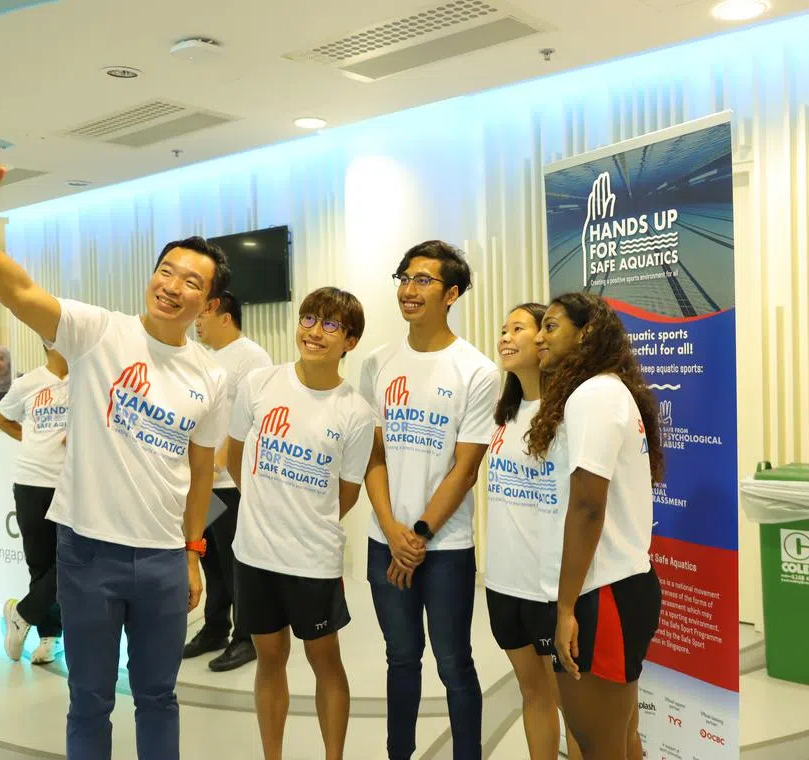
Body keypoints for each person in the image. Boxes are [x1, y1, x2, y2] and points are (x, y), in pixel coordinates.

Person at [0, 161, 230, 760]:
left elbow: (201, 471)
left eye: (191, 282)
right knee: (90, 700)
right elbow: (16, 289)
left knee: (158, 696)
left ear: (207, 302)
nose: (172, 285)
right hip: (86, 554)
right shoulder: (98, 333)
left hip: (161, 561)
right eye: (165, 271)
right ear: (151, 277)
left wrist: (193, 553)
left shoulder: (211, 375)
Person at [360, 240, 501, 760]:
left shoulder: (477, 370)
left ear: (453, 293)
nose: (409, 289)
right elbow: (372, 457)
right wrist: (390, 529)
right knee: (401, 658)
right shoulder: (378, 363)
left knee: (453, 661)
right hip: (385, 542)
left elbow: (464, 470)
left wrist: (416, 536)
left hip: (444, 547)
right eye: (405, 277)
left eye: (424, 280)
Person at [226, 286, 375, 760]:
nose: (315, 332)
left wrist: (302, 515)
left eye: (331, 326)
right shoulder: (259, 384)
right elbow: (234, 458)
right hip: (253, 553)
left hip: (312, 558)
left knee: (324, 660)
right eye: (310, 319)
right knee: (269, 659)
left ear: (349, 341)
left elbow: (346, 493)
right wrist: (266, 508)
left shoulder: (356, 412)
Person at [527, 292, 664, 760]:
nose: (539, 337)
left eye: (552, 326)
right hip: (616, 587)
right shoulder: (603, 390)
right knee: (621, 742)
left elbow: (588, 506)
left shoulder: (594, 394)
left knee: (599, 746)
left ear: (587, 333)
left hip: (601, 593)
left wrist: (565, 609)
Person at [484, 303, 582, 760]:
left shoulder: (570, 410)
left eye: (517, 329)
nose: (505, 337)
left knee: (578, 711)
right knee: (534, 695)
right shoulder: (503, 413)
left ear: (543, 338)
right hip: (503, 582)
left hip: (550, 587)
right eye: (503, 329)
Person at [185, 290, 273, 672]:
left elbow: (260, 415)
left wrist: (224, 457)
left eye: (202, 313)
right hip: (201, 482)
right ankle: (215, 628)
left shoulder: (251, 356)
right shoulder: (198, 356)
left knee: (239, 563)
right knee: (213, 561)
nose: (196, 322)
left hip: (232, 483)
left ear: (223, 313)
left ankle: (247, 638)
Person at [0, 344, 70, 665]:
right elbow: (2, 418)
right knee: (40, 564)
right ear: (48, 342)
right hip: (31, 482)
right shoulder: (28, 383)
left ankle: (21, 613)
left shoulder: (87, 379)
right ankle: (49, 636)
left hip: (73, 485)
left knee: (70, 560)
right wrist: (35, 441)